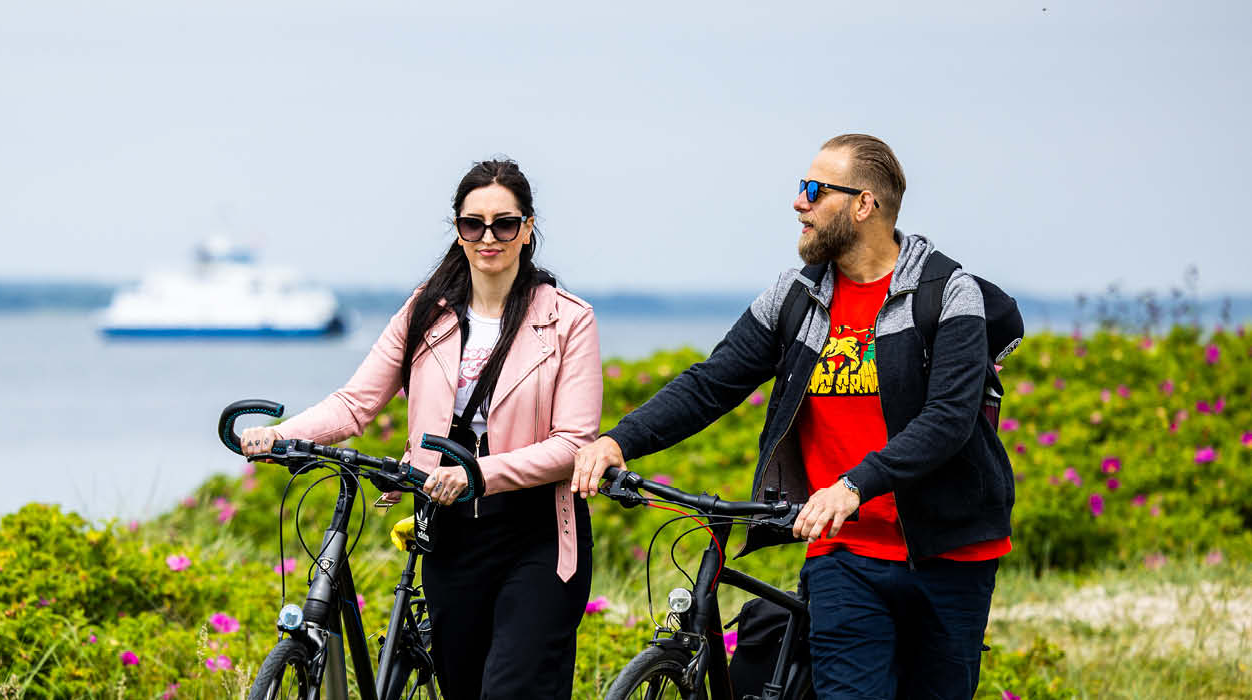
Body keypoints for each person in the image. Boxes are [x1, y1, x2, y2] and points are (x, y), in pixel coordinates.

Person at [572, 134, 1014, 699]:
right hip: (843, 555)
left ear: (863, 204)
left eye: (814, 190)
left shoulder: (947, 293)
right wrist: (618, 441)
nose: (798, 203)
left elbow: (948, 419)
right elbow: (713, 382)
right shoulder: (795, 297)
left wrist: (855, 485)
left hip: (949, 554)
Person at [242, 159, 602, 700]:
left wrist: (478, 474)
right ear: (458, 231)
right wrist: (283, 434)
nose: (488, 237)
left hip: (538, 533)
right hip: (449, 530)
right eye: (472, 224)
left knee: (511, 688)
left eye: (504, 224)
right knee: (461, 687)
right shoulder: (423, 311)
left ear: (527, 230)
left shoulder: (569, 319)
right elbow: (356, 403)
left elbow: (573, 445)